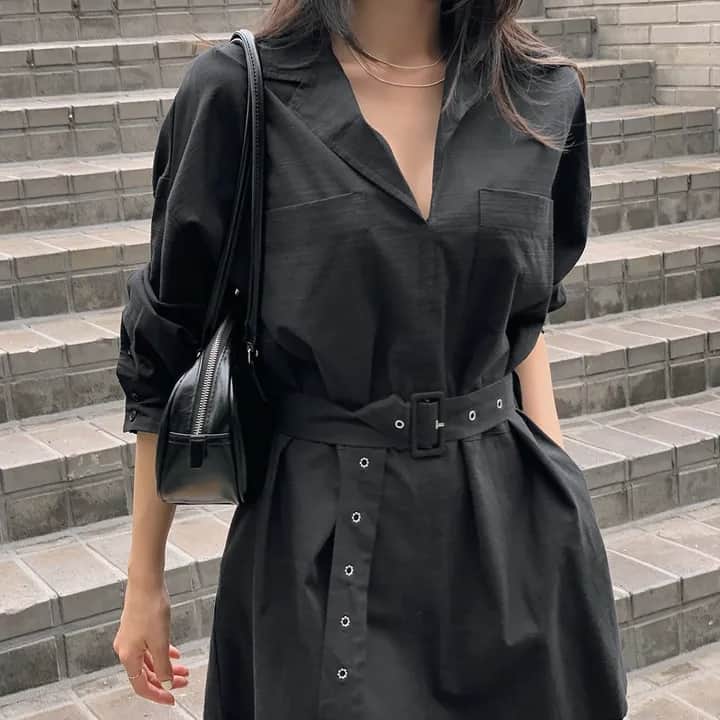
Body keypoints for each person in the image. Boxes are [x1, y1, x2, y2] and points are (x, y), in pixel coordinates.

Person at [113, 1, 629, 718]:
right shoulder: (239, 91)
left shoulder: (541, 93)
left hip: (511, 530)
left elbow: (525, 317)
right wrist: (145, 580)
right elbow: (165, 341)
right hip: (316, 542)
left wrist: (559, 494)